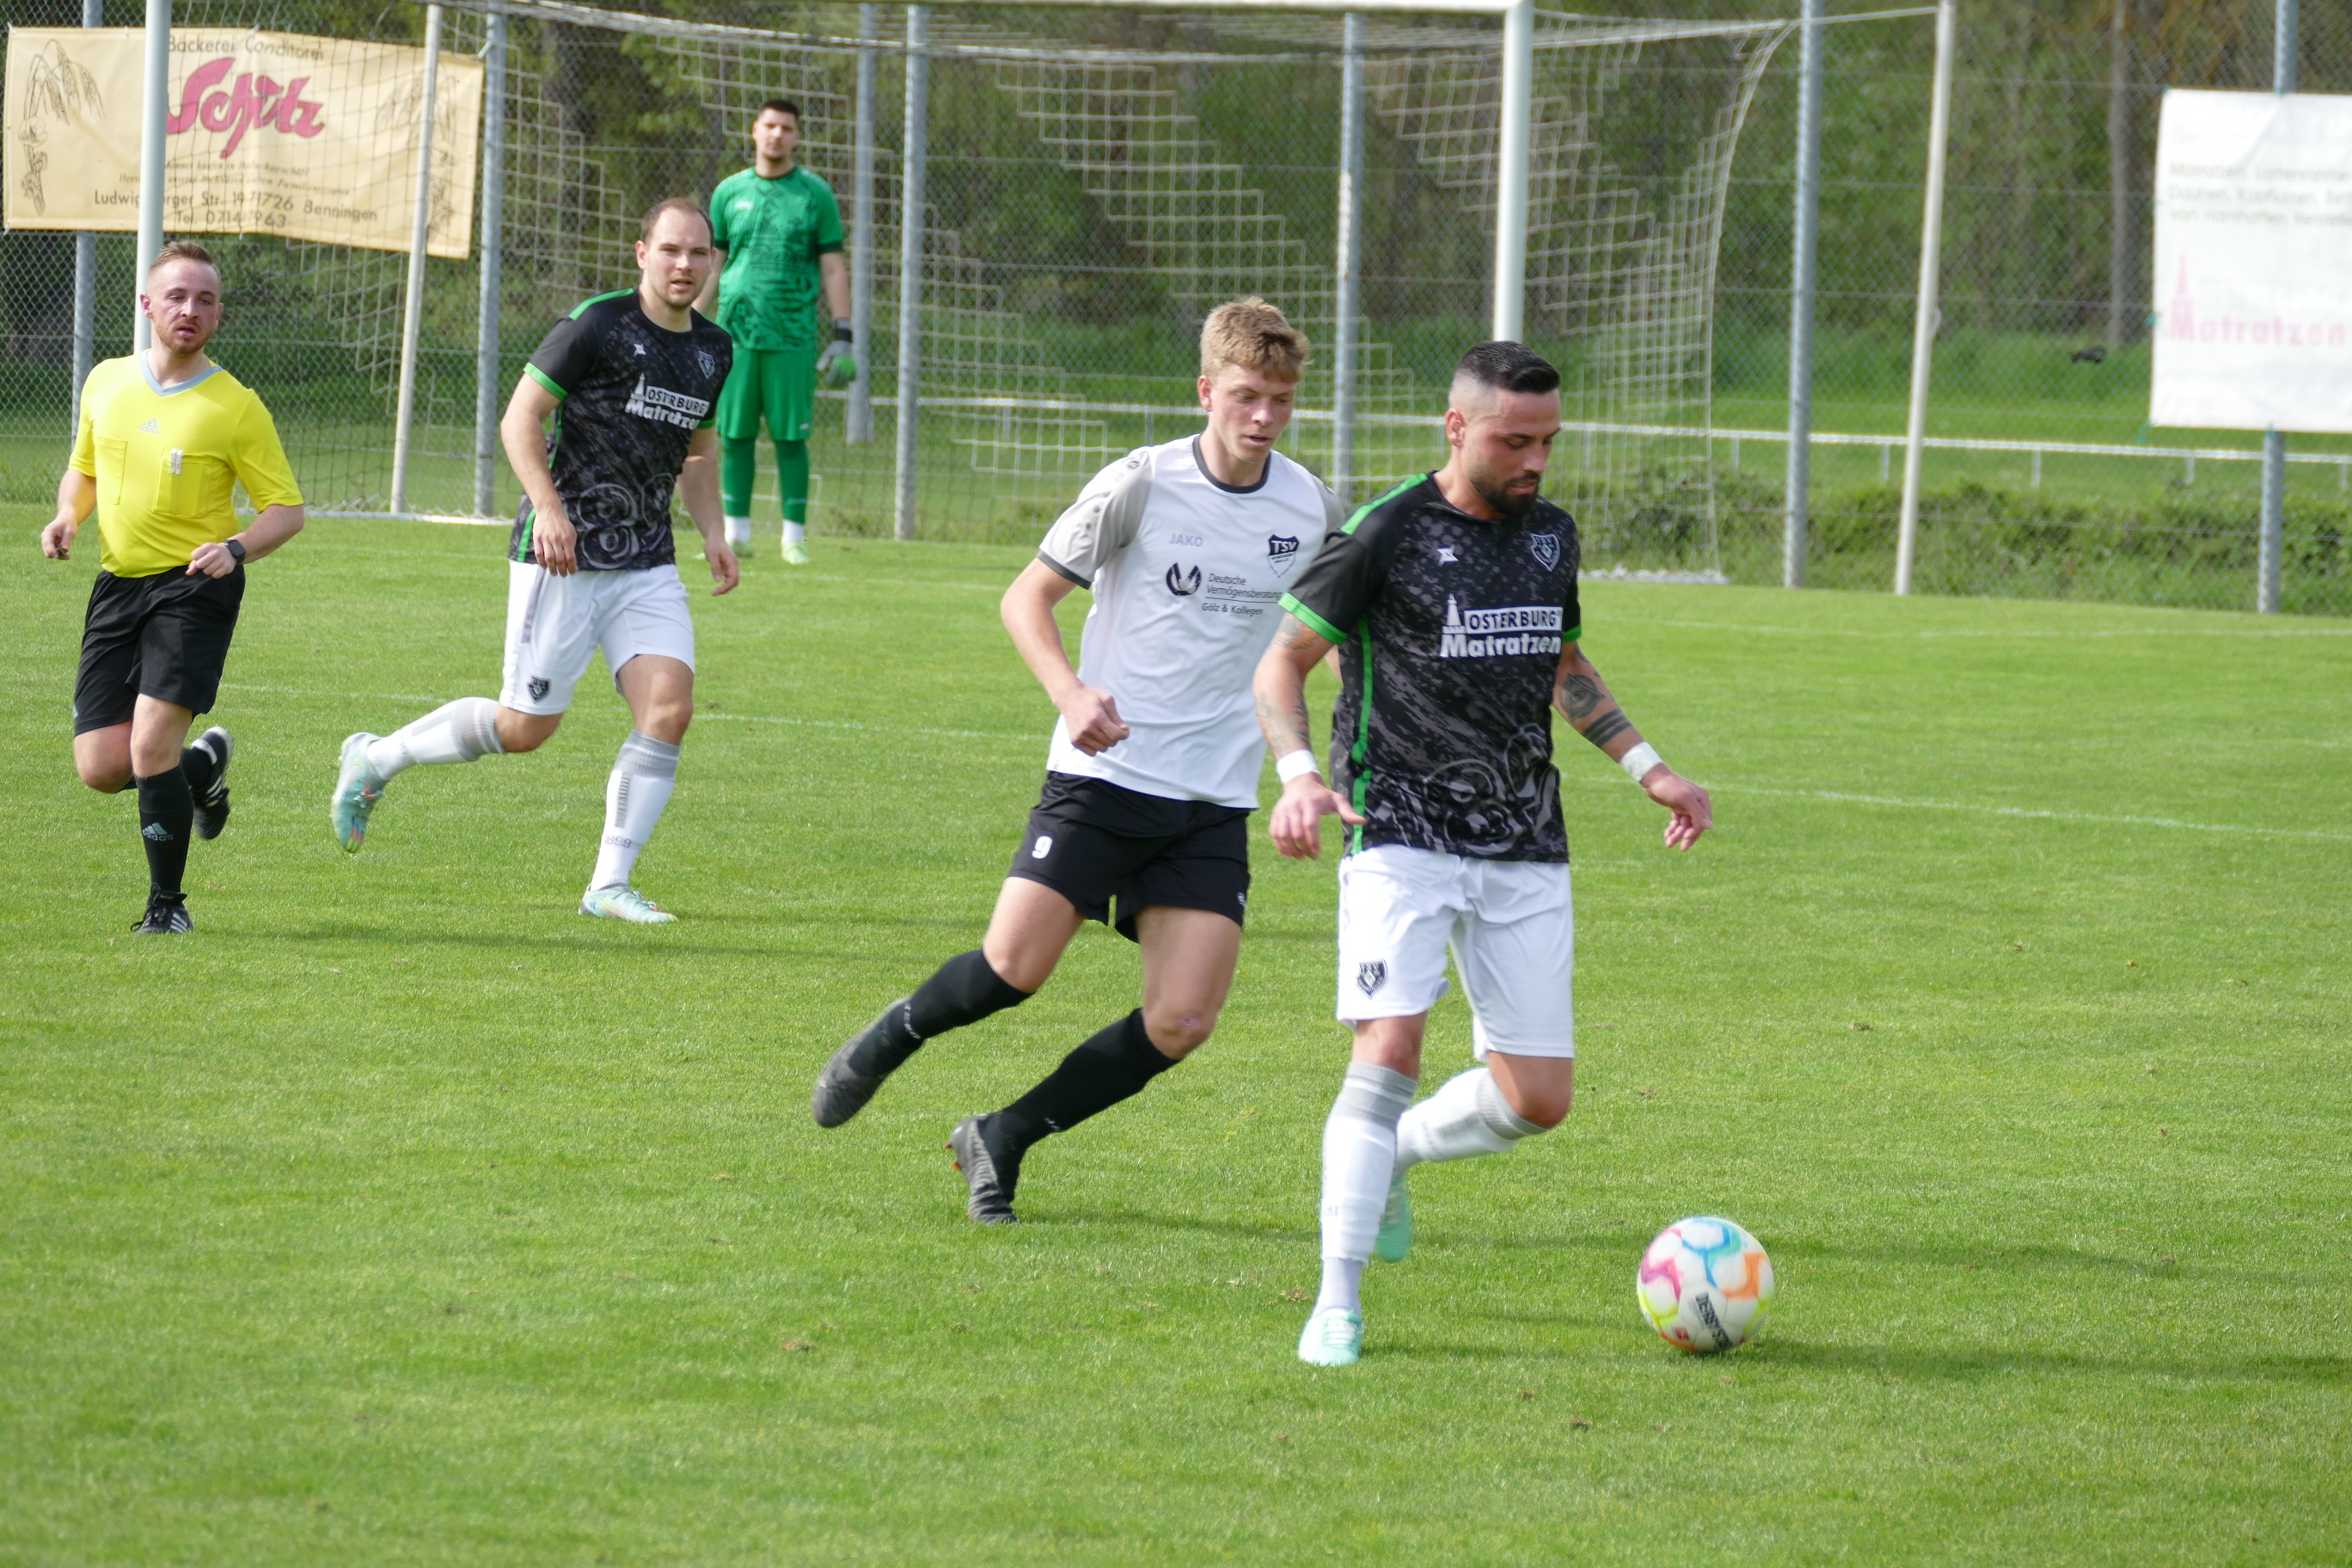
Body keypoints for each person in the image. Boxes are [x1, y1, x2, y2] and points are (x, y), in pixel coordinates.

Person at [810, 298, 1342, 1224]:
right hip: (1103, 777)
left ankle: (1003, 1135)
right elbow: (1027, 598)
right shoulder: (1141, 483)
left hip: (1212, 797)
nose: (1264, 417)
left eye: (1282, 400)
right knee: (1011, 972)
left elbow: (1322, 636)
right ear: (1206, 390)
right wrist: (1070, 693)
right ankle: (893, 1035)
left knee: (1183, 1020)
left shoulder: (1310, 506)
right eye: (1247, 396)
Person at [1252, 340, 1714, 1368]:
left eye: (1548, 441)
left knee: (1538, 1099)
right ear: (1456, 428)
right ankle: (1337, 1300)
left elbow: (1562, 661)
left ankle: (1398, 1155)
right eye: (1515, 441)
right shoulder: (1386, 531)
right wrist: (1298, 775)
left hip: (1524, 836)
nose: (1535, 461)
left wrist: (1650, 769)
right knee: (1388, 1051)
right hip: (1397, 829)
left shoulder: (1552, 535)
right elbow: (1282, 661)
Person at [328, 199, 738, 922]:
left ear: (712, 261)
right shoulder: (598, 324)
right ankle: (378, 758)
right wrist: (549, 508)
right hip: (563, 554)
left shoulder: (714, 349)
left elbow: (699, 455)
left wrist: (713, 532)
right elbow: (520, 416)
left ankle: (608, 886)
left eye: (698, 253)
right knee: (525, 729)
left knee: (669, 710)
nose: (685, 264)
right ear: (642, 252)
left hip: (646, 559)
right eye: (671, 250)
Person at [43, 240, 306, 934]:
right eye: (178, 296)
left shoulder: (235, 406)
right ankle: (199, 771)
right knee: (102, 766)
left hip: (194, 586)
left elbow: (286, 510)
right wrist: (69, 514)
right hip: (117, 585)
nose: (190, 309)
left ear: (219, 315)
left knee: (148, 747)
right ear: (147, 305)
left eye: (206, 300)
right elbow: (84, 469)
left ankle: (168, 907)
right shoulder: (105, 382)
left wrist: (235, 548)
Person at [699, 98, 852, 565]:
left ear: (797, 136)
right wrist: (693, 324)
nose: (777, 135)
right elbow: (715, 263)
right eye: (769, 125)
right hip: (734, 337)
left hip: (793, 337)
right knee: (734, 436)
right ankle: (737, 535)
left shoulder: (814, 194)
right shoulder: (729, 192)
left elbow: (833, 267)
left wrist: (844, 334)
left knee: (790, 438)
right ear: (754, 130)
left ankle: (793, 538)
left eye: (786, 128)